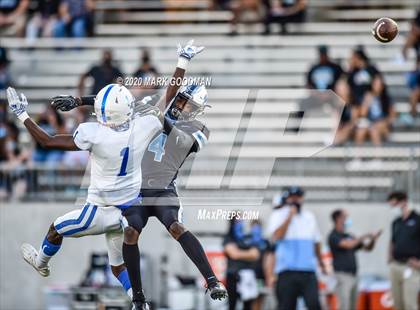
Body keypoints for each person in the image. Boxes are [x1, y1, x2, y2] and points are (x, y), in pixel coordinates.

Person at [14, 40, 200, 310]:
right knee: (117, 267)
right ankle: (140, 303)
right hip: (128, 212)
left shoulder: (94, 133)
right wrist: (183, 61)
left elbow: (47, 141)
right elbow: (168, 95)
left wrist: (22, 115)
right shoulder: (143, 126)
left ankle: (40, 262)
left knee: (55, 229)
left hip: (100, 210)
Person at [52, 41, 227, 309]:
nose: (181, 105)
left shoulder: (199, 127)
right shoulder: (153, 109)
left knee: (177, 227)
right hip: (134, 189)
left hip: (164, 189)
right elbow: (117, 105)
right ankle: (139, 299)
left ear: (198, 109)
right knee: (131, 233)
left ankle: (212, 280)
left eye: (187, 104)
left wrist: (157, 113)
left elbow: (179, 138)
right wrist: (79, 100)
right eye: (180, 99)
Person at [267, 186, 325, 310]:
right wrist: (289, 217)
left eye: (298, 197)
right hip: (286, 272)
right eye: (292, 197)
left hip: (308, 271)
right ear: (286, 199)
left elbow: (316, 242)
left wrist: (322, 263)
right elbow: (277, 236)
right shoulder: (278, 215)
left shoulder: (309, 217)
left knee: (314, 304)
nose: (295, 200)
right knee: (286, 306)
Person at [328, 209, 381, 310]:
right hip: (342, 276)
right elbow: (348, 245)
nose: (347, 219)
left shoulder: (349, 236)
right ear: (338, 219)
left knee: (353, 306)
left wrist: (373, 239)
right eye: (345, 217)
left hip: (354, 275)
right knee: (344, 305)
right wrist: (365, 235)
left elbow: (367, 248)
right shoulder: (333, 236)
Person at [387, 191, 420, 310]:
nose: (393, 208)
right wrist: (389, 259)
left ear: (404, 202)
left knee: (409, 304)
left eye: (394, 205)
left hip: (411, 266)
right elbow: (392, 241)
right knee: (397, 304)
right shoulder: (396, 222)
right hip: (395, 265)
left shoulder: (417, 220)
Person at [223, 217, 260, 310]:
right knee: (232, 304)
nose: (241, 223)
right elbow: (233, 254)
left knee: (248, 305)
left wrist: (239, 252)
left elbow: (255, 254)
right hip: (233, 276)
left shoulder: (247, 237)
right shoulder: (228, 237)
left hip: (247, 276)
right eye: (238, 221)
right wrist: (248, 254)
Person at [354, 74, 394, 145]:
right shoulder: (368, 96)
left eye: (379, 84)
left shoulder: (386, 98)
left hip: (382, 123)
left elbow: (392, 116)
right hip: (369, 123)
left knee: (374, 130)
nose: (377, 86)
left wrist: (384, 121)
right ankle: (358, 155)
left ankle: (378, 155)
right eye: (375, 84)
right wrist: (366, 102)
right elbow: (363, 114)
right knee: (360, 132)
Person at [347, 47, 381, 116]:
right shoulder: (353, 72)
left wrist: (372, 93)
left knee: (368, 97)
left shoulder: (371, 69)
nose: (351, 60)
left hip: (369, 98)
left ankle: (364, 116)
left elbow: (378, 83)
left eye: (352, 58)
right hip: (356, 99)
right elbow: (348, 85)